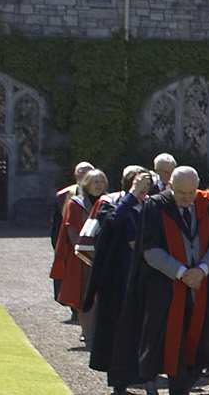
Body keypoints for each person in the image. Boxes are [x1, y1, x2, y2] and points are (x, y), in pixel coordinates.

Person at [121, 166, 209, 395]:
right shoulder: (155, 207)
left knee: (200, 343)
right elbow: (149, 249)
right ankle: (153, 381)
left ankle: (182, 386)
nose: (187, 199)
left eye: (191, 193)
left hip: (202, 287)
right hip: (164, 289)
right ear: (170, 185)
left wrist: (201, 270)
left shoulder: (208, 205)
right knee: (160, 339)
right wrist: (181, 272)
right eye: (182, 193)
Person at [85, 168, 156, 395]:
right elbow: (111, 226)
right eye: (140, 188)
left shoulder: (151, 208)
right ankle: (119, 382)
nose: (145, 193)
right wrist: (132, 196)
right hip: (118, 282)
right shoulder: (112, 205)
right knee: (118, 334)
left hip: (145, 281)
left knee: (146, 334)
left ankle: (148, 379)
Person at [55, 167, 106, 321]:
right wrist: (84, 251)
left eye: (101, 181)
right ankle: (87, 332)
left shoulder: (109, 202)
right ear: (87, 184)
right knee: (84, 293)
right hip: (84, 256)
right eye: (95, 181)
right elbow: (71, 231)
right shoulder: (76, 203)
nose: (98, 185)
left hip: (104, 254)